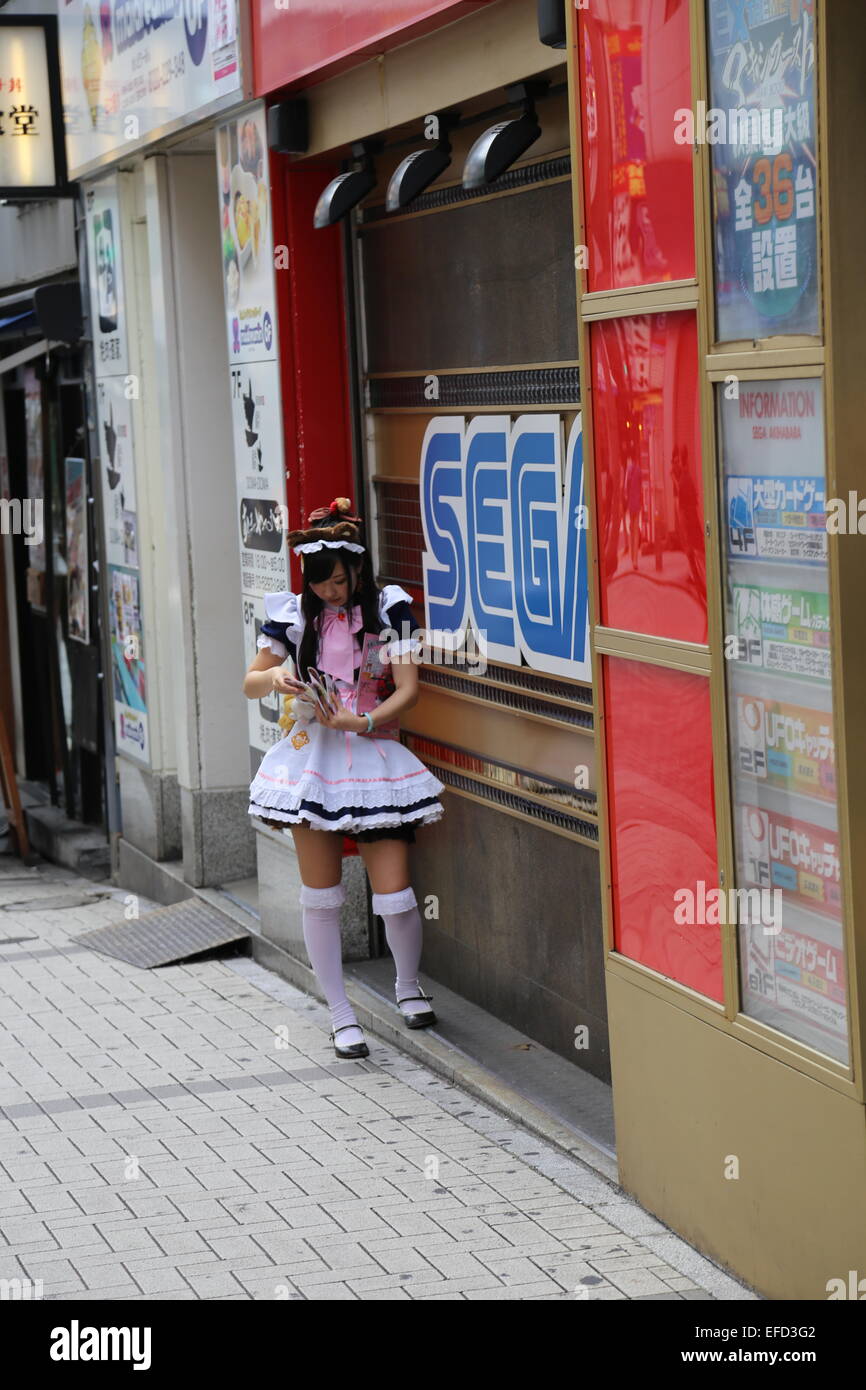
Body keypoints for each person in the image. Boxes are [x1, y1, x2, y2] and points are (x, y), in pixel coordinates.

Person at [243, 497, 446, 1060]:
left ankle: (407, 987)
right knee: (322, 895)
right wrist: (279, 677)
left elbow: (409, 688)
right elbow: (250, 681)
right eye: (321, 583)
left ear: (358, 567)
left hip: (374, 748)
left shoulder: (390, 608)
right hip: (312, 759)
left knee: (396, 893)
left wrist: (366, 719)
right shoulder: (293, 613)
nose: (331, 592)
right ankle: (339, 1014)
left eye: (339, 580)